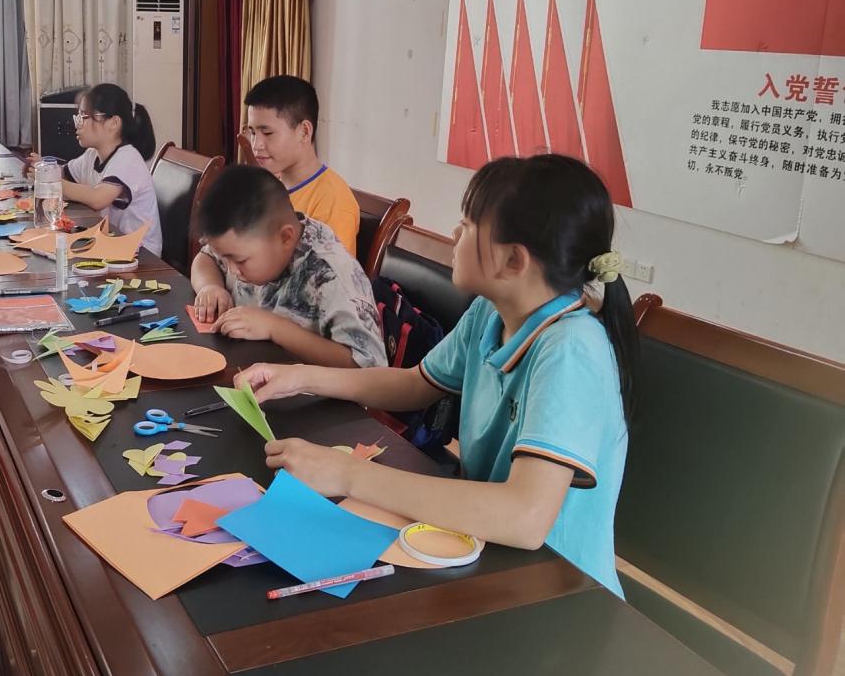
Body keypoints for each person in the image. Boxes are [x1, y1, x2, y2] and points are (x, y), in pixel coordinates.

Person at [236, 155, 637, 597]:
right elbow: (415, 384)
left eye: (468, 224)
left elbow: (525, 518)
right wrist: (301, 377)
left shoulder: (570, 350)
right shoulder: (490, 312)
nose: (455, 233)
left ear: (514, 260)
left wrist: (348, 475)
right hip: (481, 548)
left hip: (557, 587)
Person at [190, 164, 386, 368]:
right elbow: (206, 258)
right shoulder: (245, 242)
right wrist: (210, 286)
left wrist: (274, 328)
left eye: (240, 261)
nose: (232, 270)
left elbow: (368, 369)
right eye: (226, 259)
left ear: (285, 237)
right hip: (248, 366)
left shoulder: (332, 276)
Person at [27, 83, 162, 257]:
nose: (78, 124)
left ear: (113, 123)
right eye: (78, 117)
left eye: (84, 116)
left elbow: (97, 198)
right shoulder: (92, 155)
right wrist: (43, 167)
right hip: (111, 244)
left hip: (141, 254)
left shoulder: (128, 159)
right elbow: (64, 174)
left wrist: (50, 181)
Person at [243, 75, 360, 256]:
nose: (256, 145)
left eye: (267, 133)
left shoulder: (332, 203)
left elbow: (324, 272)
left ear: (304, 132)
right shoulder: (267, 186)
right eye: (252, 133)